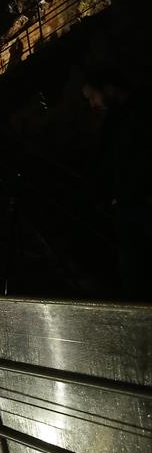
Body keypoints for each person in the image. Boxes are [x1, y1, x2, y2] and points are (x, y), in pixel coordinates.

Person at [83, 71, 152, 299]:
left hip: (135, 203)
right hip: (128, 202)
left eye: (93, 96)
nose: (92, 103)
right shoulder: (123, 117)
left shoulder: (130, 117)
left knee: (136, 270)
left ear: (108, 88)